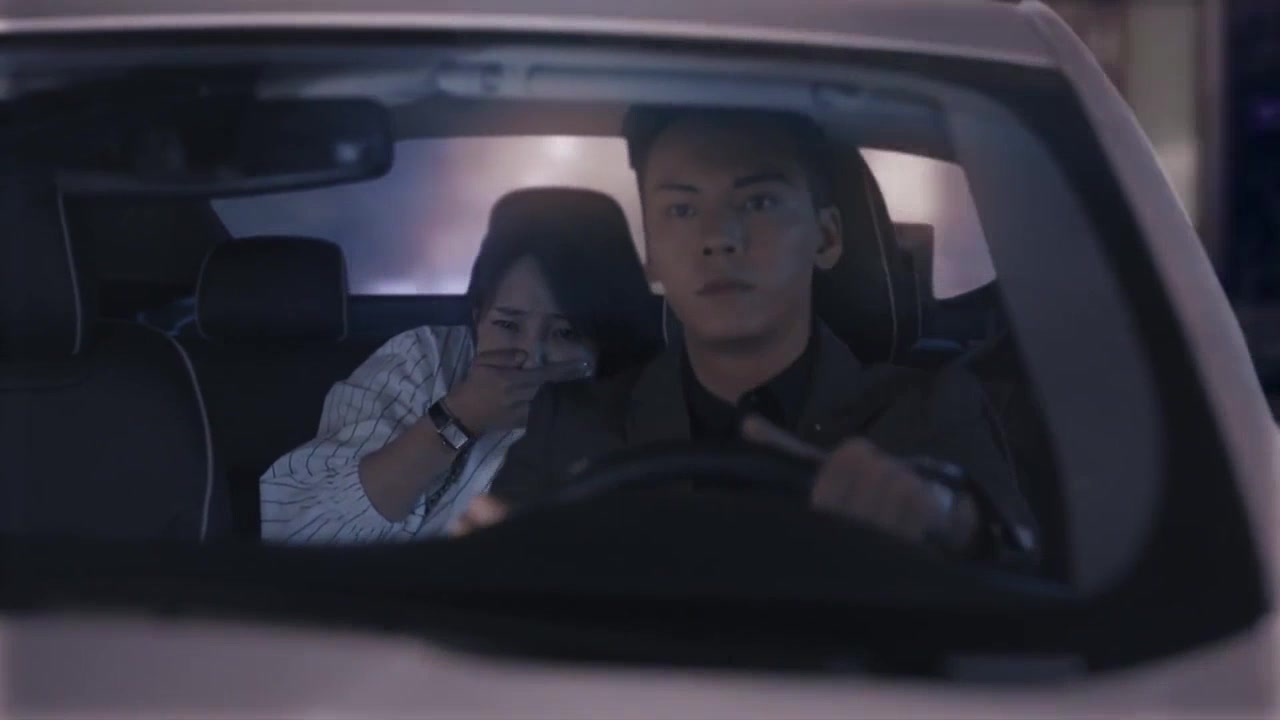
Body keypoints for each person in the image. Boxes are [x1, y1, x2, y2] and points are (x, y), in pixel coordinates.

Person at [453, 108, 1040, 566]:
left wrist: (949, 520)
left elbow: (1024, 577)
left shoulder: (933, 411)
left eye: (758, 202)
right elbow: (494, 588)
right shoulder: (572, 421)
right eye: (682, 211)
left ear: (827, 238)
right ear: (652, 256)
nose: (719, 237)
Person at [259, 187, 663, 544]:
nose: (531, 355)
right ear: (477, 316)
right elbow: (301, 529)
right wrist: (460, 418)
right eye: (507, 325)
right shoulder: (424, 360)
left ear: (605, 336)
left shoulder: (650, 398)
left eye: (566, 333)